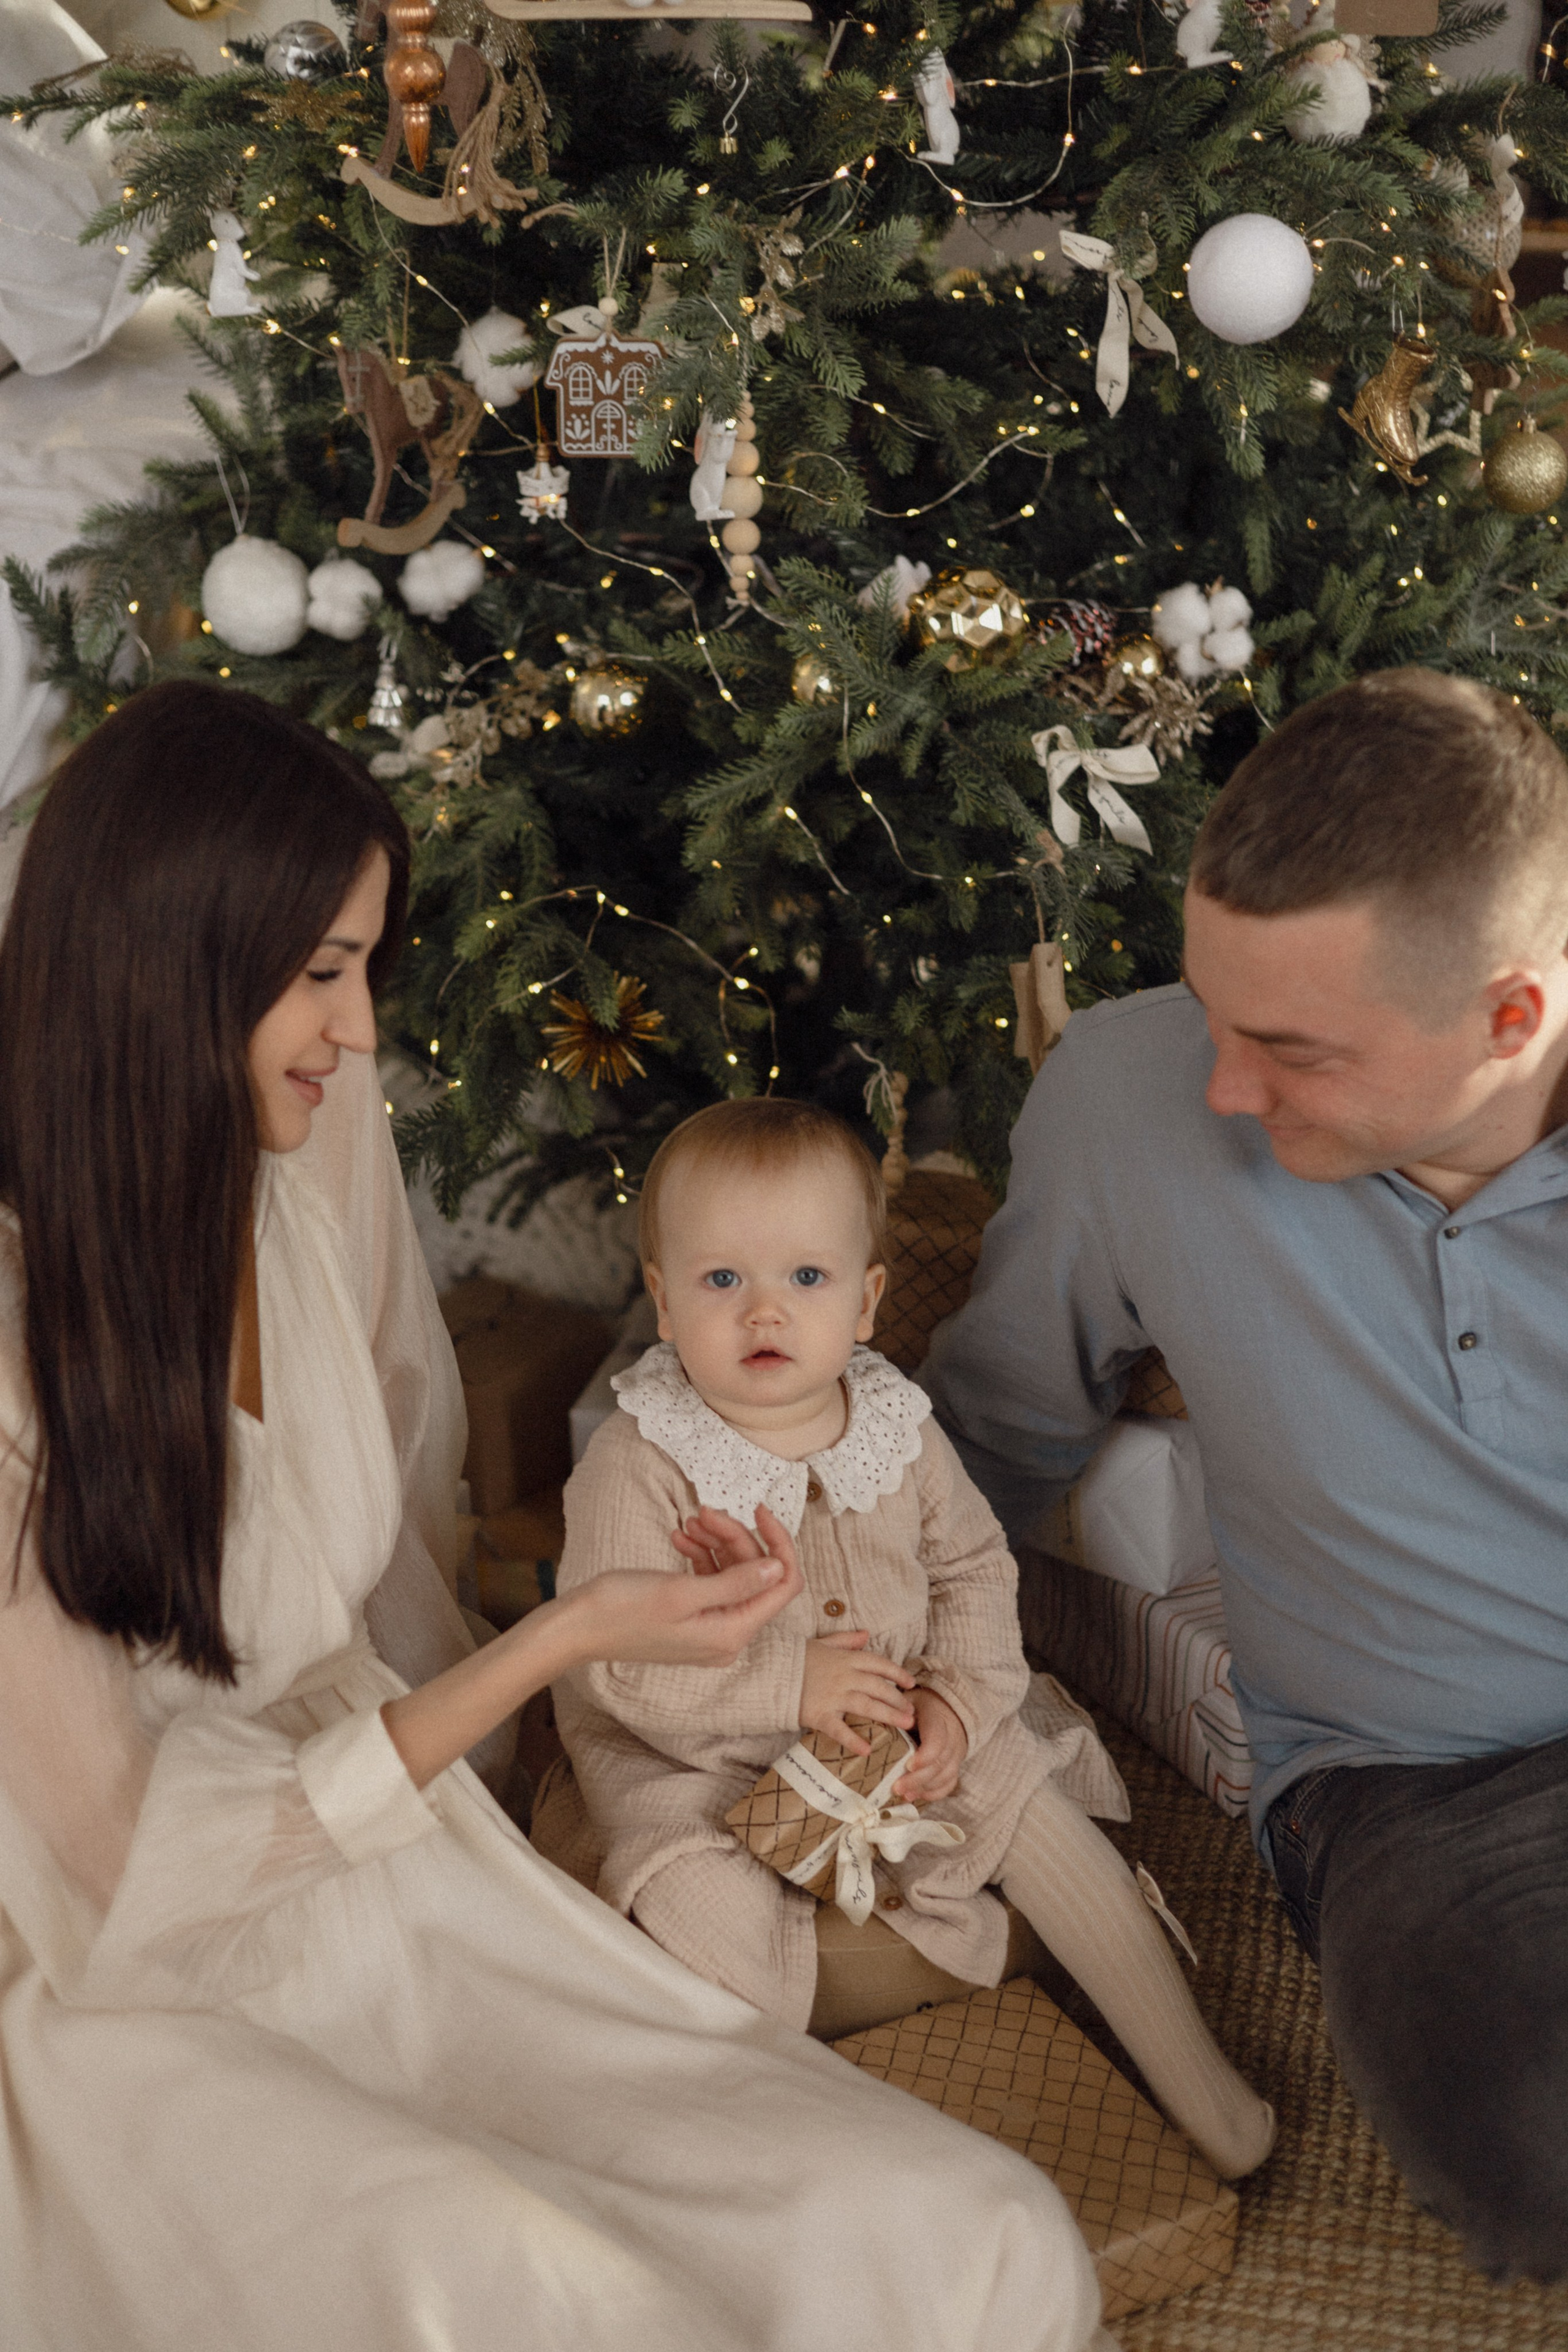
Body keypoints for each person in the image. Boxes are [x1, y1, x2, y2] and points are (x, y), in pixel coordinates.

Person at [0, 680, 1119, 2352]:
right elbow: (131, 1868)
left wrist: (553, 1721)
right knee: (537, 2285)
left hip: (404, 1884)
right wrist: (563, 1644)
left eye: (363, 969)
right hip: (154, 1979)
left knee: (976, 2233)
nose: (363, 1030)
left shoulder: (293, 1173)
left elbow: (382, 1542)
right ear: (172, 972)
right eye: (320, 977)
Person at [925, 666, 1568, 2283]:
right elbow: (986, 1437)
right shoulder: (1128, 1098)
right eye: (1215, 1017)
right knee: (1534, 2139)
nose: (1222, 1087)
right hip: (1421, 1791)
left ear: (1511, 1018)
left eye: (1290, 1048)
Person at [540, 1098, 1275, 2182]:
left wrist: (958, 1709)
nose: (763, 1316)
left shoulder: (899, 1427)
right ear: (660, 1298)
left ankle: (1209, 2096)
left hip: (901, 1714)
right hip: (698, 1754)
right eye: (719, 1281)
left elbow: (975, 1572)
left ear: (868, 1300)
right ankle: (796, 2160)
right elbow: (616, 1665)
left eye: (805, 1279)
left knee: (1037, 1813)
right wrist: (787, 1685)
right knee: (697, 1909)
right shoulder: (641, 1461)